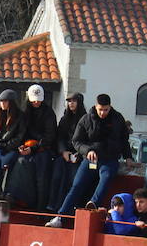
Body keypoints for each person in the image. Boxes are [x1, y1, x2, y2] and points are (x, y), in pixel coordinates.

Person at [45, 94, 131, 227]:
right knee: (77, 185)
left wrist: (128, 157)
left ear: (110, 107)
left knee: (106, 177)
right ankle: (60, 217)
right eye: (100, 109)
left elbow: (124, 140)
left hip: (109, 159)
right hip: (91, 159)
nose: (103, 113)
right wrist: (87, 151)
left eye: (106, 110)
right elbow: (76, 141)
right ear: (96, 106)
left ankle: (93, 203)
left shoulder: (118, 119)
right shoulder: (86, 119)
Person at [7, 83, 56, 209]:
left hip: (43, 149)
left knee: (41, 174)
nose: (36, 103)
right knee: (19, 163)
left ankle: (40, 207)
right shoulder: (24, 112)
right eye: (33, 100)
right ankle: (15, 197)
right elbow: (20, 132)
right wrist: (21, 146)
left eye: (38, 101)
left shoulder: (49, 113)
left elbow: (49, 136)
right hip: (26, 148)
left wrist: (33, 148)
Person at [48, 93, 86, 212]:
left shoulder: (86, 119)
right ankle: (53, 205)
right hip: (64, 155)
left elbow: (87, 140)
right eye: (69, 101)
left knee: (72, 180)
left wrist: (78, 154)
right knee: (56, 177)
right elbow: (59, 137)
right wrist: (63, 151)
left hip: (79, 156)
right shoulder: (65, 119)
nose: (71, 103)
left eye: (74, 101)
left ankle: (68, 208)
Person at [0, 89, 26, 200]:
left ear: (11, 102)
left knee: (1, 163)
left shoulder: (20, 117)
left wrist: (7, 146)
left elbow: (20, 137)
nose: (2, 103)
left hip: (12, 149)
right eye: (1, 101)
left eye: (5, 101)